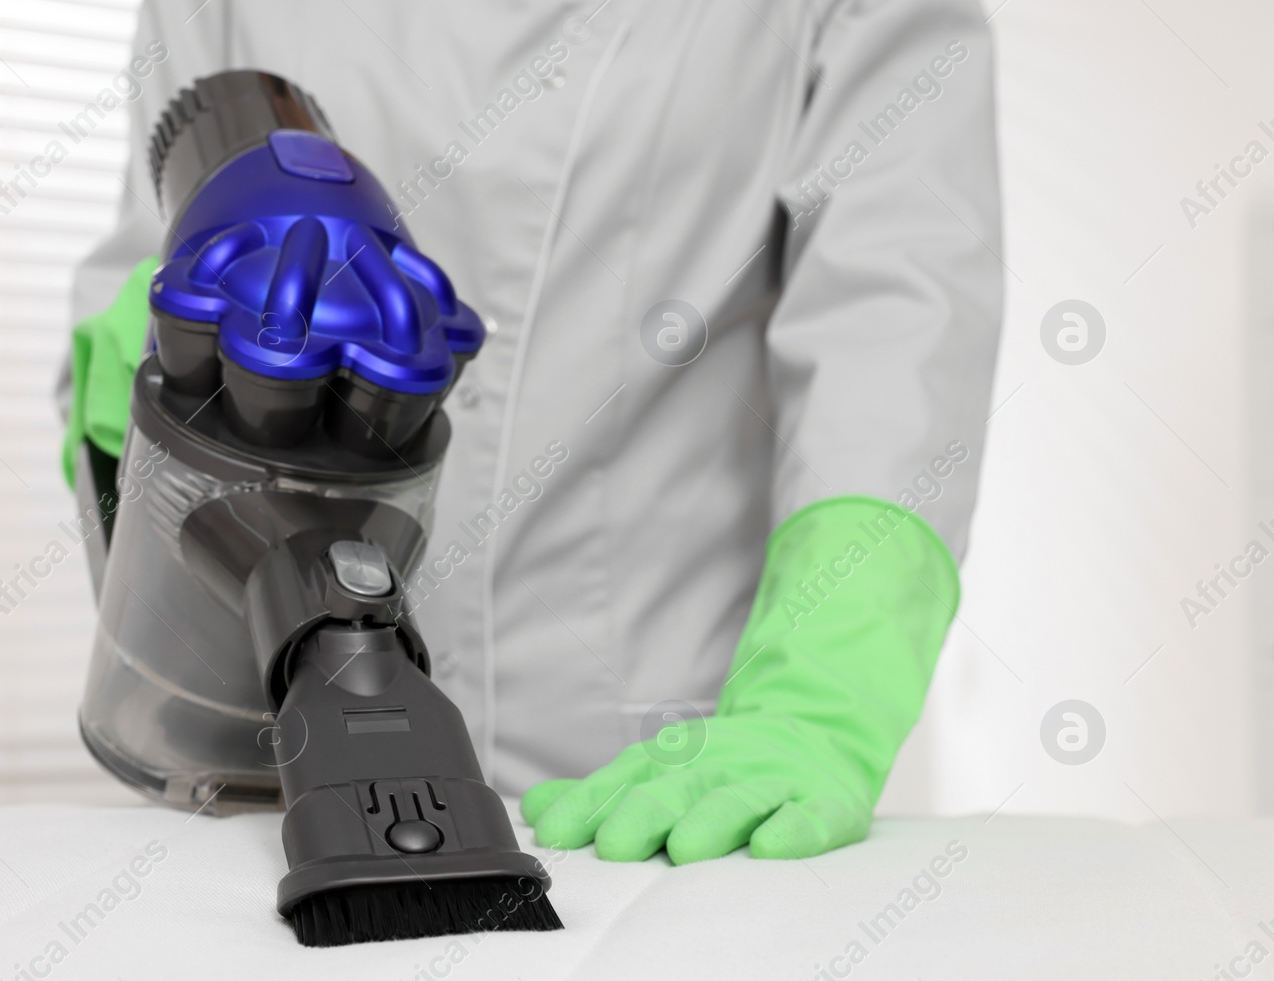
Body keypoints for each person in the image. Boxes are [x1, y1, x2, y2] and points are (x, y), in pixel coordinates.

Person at [60, 0, 1001, 864]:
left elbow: (898, 328)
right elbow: (156, 242)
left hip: (649, 791)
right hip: (262, 776)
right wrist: (142, 390)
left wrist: (816, 697)